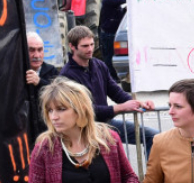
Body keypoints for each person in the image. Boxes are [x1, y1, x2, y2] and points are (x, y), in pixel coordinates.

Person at [59, 25, 156, 156]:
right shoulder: (66, 76)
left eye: (92, 44)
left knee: (153, 136)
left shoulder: (99, 65)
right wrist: (119, 108)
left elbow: (116, 92)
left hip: (106, 124)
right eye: (85, 46)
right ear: (72, 46)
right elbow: (84, 111)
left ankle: (151, 176)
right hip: (84, 131)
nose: (90, 49)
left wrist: (138, 103)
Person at [11, 31, 58, 183]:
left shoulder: (51, 73)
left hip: (45, 142)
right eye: (32, 50)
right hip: (19, 144)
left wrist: (40, 84)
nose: (37, 54)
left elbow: (61, 98)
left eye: (40, 49)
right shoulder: (12, 72)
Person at [98, 0, 127, 80]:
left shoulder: (115, 3)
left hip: (114, 34)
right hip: (108, 34)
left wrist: (125, 10)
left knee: (113, 56)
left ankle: (114, 76)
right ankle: (111, 77)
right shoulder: (108, 0)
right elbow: (119, 1)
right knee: (109, 57)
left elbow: (119, 15)